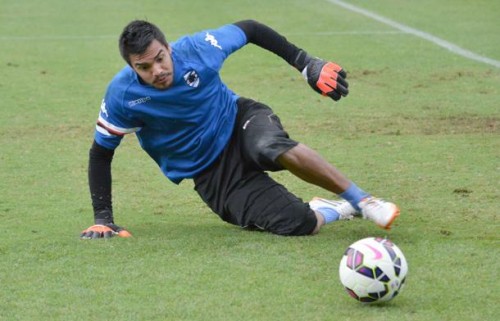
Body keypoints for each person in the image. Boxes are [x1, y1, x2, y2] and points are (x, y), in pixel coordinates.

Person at [80, 20, 400, 239]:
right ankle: (336, 209)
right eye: (145, 67)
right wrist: (102, 219)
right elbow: (100, 154)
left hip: (238, 120)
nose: (158, 71)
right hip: (211, 173)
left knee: (269, 146)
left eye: (160, 59)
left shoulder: (198, 49)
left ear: (168, 47)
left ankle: (364, 200)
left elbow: (249, 29)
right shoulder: (123, 95)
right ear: (132, 67)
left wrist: (305, 63)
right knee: (300, 223)